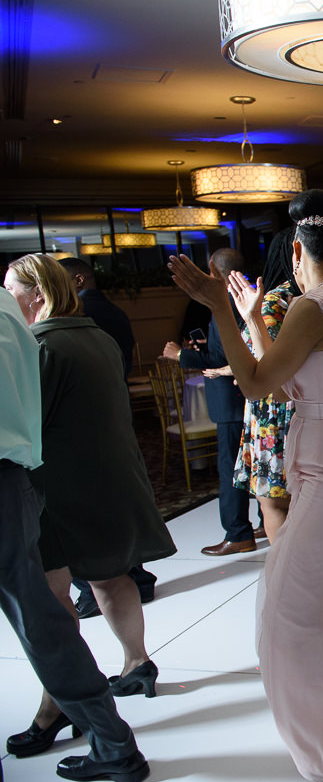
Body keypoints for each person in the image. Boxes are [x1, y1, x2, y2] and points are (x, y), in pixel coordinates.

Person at [168, 189, 323, 782]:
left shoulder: (310, 306)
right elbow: (282, 381)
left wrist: (218, 304)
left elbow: (252, 386)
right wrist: (249, 318)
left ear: (296, 248)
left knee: (293, 619)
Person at [3, 255, 176, 743]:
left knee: (51, 601)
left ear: (36, 294)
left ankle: (55, 705)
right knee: (110, 576)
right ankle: (137, 662)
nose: (6, 298)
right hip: (107, 477)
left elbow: (26, 424)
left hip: (58, 488)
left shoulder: (41, 345)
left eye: (10, 288)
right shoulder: (95, 334)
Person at [57, 256, 157, 618]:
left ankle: (100, 589)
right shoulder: (115, 312)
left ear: (79, 279)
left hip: (84, 422)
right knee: (121, 499)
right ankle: (139, 577)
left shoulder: (76, 320)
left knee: (98, 510)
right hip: (117, 409)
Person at [164, 248, 253, 556]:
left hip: (230, 399)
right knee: (248, 464)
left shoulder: (224, 303)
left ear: (214, 272)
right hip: (246, 397)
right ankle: (264, 520)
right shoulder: (249, 296)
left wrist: (178, 354)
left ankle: (238, 533)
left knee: (230, 468)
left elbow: (221, 358)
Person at [232, 229, 298, 543]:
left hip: (275, 408)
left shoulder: (274, 301)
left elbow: (258, 364)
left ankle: (291, 578)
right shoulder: (317, 297)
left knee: (274, 501)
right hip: (301, 402)